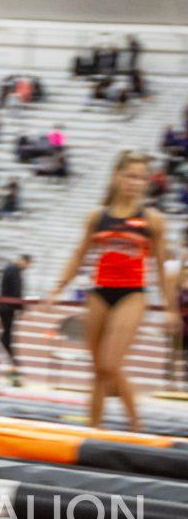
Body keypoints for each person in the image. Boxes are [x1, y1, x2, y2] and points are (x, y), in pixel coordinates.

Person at [42, 151, 180, 431]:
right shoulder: (97, 217)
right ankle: (94, 432)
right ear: (117, 177)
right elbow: (79, 255)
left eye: (141, 177)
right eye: (130, 175)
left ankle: (136, 427)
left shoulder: (152, 220)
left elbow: (163, 269)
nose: (135, 182)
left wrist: (170, 308)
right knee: (98, 371)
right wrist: (57, 289)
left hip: (133, 294)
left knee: (109, 364)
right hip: (99, 292)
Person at [0, 254, 31, 375]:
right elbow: (16, 291)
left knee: (6, 335)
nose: (27, 267)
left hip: (5, 305)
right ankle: (13, 364)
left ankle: (12, 363)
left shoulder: (11, 269)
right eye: (27, 264)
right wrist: (21, 306)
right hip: (7, 306)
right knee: (6, 336)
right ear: (22, 261)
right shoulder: (14, 270)